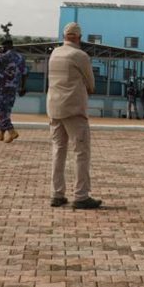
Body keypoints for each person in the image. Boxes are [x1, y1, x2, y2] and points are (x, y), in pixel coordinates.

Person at [47, 22, 102, 209]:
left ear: (64, 36)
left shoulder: (54, 53)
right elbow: (92, 84)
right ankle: (81, 195)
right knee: (81, 152)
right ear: (79, 37)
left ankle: (57, 194)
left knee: (58, 151)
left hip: (54, 108)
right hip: (73, 109)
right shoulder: (80, 55)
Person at [0, 38, 28, 142]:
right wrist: (22, 87)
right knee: (7, 111)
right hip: (13, 88)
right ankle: (1, 134)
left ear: (4, 46)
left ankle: (11, 130)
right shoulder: (20, 57)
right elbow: (24, 73)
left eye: (2, 47)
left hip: (1, 88)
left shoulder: (3, 56)